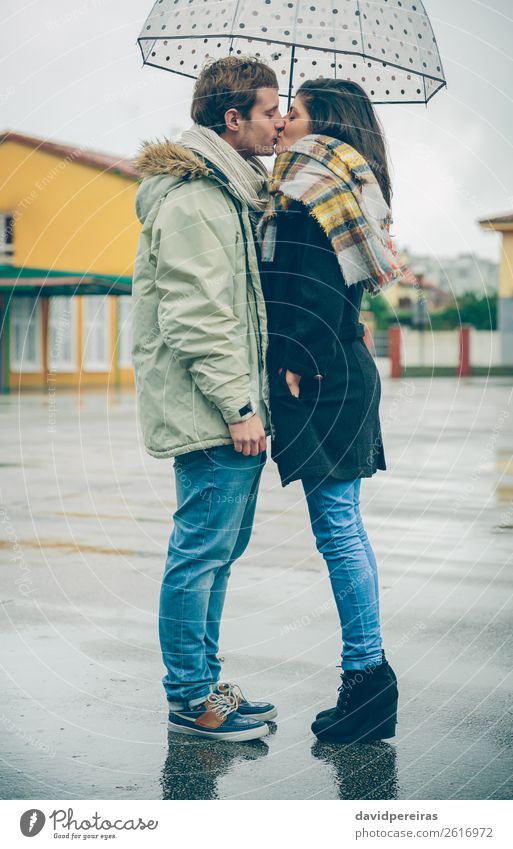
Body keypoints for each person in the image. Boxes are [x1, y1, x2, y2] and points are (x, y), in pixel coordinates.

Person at [131, 56, 285, 741]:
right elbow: (196, 317)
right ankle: (190, 698)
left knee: (215, 555)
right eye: (268, 110)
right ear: (232, 118)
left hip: (224, 409)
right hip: (211, 413)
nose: (279, 121)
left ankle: (204, 686)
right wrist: (238, 406)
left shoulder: (228, 192)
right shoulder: (195, 199)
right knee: (198, 556)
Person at [258, 78, 400, 744]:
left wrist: (292, 358)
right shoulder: (340, 182)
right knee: (342, 527)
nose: (283, 118)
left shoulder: (307, 186)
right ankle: (366, 679)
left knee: (338, 530)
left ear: (325, 124)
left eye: (297, 109)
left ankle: (367, 681)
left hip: (321, 374)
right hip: (337, 366)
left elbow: (307, 285)